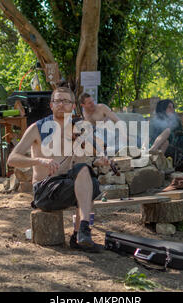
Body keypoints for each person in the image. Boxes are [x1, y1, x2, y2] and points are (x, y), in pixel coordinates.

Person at [7, 87, 109, 252]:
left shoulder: (79, 130)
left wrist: (98, 162)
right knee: (87, 185)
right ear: (51, 105)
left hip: (67, 186)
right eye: (57, 101)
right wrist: (39, 160)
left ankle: (80, 234)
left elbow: (83, 164)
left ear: (73, 106)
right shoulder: (37, 128)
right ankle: (82, 232)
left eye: (66, 101)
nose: (61, 104)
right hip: (45, 190)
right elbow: (12, 159)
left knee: (91, 182)